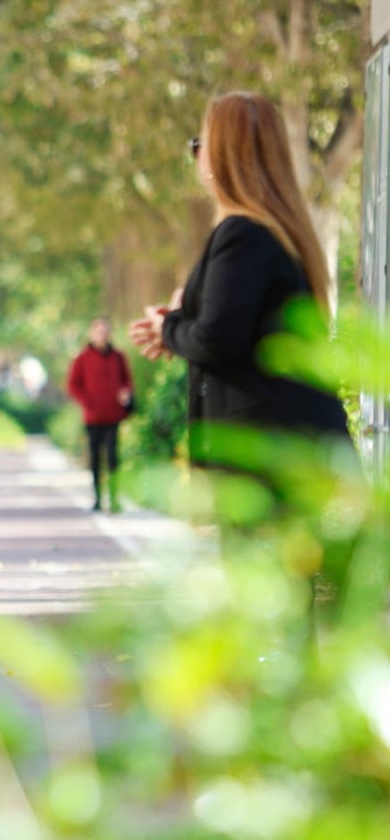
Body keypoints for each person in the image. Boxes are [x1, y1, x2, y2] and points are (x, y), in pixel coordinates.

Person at [128, 91, 352, 632]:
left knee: (266, 615)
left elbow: (220, 340)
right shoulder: (266, 234)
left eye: (199, 143)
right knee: (282, 613)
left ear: (224, 154)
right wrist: (176, 324)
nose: (196, 156)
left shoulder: (243, 235)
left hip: (262, 458)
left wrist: (174, 328)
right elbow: (227, 330)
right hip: (281, 453)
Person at [67, 317, 133, 513]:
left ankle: (114, 498)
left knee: (113, 456)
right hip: (93, 417)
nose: (102, 335)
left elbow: (127, 380)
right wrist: (87, 401)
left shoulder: (118, 357)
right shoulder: (83, 358)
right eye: (99, 332)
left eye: (105, 332)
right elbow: (73, 385)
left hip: (113, 415)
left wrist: (125, 392)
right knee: (95, 457)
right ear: (92, 334)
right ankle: (97, 498)